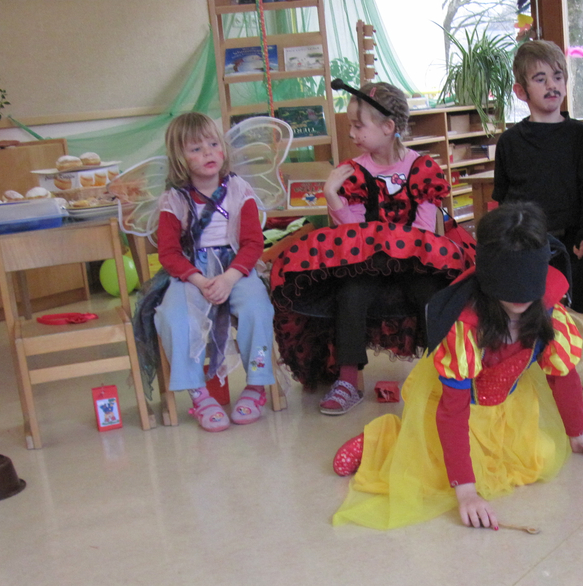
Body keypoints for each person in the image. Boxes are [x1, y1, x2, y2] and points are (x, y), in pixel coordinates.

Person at [330, 202, 583, 531]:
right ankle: (383, 440)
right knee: (429, 473)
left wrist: (578, 432)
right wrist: (466, 491)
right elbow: (453, 410)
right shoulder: (465, 328)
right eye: (510, 287)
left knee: (539, 457)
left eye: (528, 286)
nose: (520, 298)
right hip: (456, 406)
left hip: (506, 407)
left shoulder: (548, 313)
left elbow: (562, 375)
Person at [270, 81, 473, 412]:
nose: (351, 133)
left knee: (431, 296)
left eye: (358, 125)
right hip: (367, 263)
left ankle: (443, 375)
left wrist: (387, 238)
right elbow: (349, 237)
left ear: (388, 127)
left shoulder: (422, 169)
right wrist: (333, 196)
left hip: (414, 261)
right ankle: (348, 380)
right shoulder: (355, 171)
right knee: (351, 293)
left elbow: (423, 233)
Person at [152, 111, 276, 432]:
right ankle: (199, 394)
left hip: (236, 267)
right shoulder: (173, 199)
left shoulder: (238, 189)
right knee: (173, 316)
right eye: (196, 149)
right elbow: (168, 253)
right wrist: (199, 279)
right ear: (180, 158)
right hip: (191, 271)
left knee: (258, 308)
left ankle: (256, 385)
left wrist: (230, 277)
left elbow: (253, 243)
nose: (208, 153)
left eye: (212, 144)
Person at [493, 40, 583, 312]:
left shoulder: (581, 136)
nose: (552, 85)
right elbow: (503, 201)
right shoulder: (509, 142)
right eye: (540, 79)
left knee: (576, 310)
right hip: (526, 244)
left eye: (558, 76)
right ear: (521, 91)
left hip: (573, 244)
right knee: (528, 310)